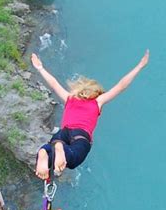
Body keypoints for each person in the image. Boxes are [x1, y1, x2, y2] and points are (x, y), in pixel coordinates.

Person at [31, 49, 150, 179]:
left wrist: (40, 68)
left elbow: (54, 84)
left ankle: (44, 152)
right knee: (73, 159)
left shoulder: (69, 98)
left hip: (62, 133)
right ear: (96, 92)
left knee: (49, 151)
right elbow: (121, 86)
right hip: (80, 136)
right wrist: (140, 66)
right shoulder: (97, 102)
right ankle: (59, 148)